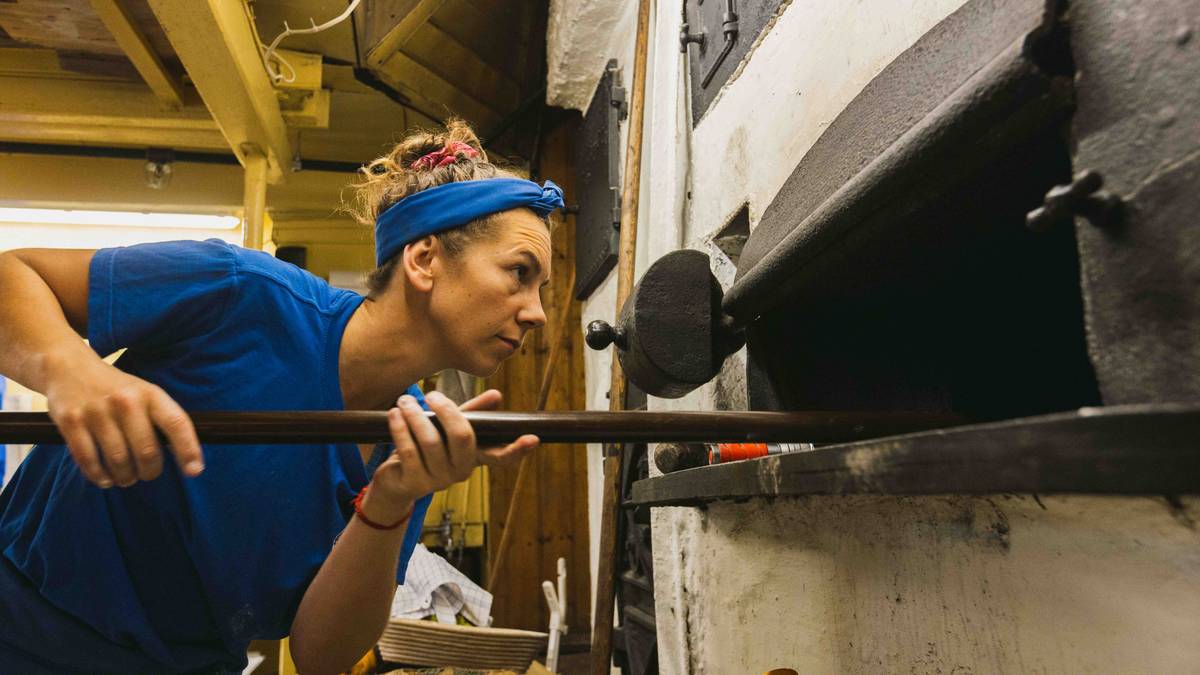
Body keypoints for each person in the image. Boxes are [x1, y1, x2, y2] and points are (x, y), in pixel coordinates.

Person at [0, 119, 561, 674]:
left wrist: (390, 502)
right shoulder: (242, 292)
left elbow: (321, 656)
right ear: (424, 260)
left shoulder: (409, 446)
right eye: (519, 272)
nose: (536, 312)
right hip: (21, 628)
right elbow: (14, 274)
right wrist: (70, 370)